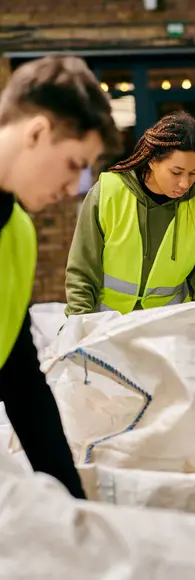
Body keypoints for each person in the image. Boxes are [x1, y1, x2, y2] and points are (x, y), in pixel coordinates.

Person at [0, 55, 121, 498]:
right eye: (73, 164)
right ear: (37, 132)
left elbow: (20, 383)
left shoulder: (18, 232)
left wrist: (74, 504)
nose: (73, 189)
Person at [65, 111, 195, 316]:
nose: (185, 183)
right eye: (176, 172)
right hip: (106, 328)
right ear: (152, 161)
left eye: (193, 173)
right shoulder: (108, 193)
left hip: (166, 331)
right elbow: (82, 273)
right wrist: (79, 327)